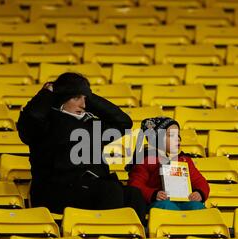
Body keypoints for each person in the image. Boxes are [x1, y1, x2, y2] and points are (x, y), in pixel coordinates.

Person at [17, 72, 146, 223]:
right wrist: (47, 94)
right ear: (61, 98)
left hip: (91, 188)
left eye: (84, 99)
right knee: (110, 190)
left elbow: (124, 123)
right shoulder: (45, 124)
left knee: (133, 195)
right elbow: (32, 118)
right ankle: (106, 237)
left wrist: (88, 96)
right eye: (76, 98)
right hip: (56, 190)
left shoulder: (91, 125)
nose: (83, 105)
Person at [127, 117, 210, 211]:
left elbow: (200, 181)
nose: (177, 139)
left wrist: (199, 193)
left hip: (185, 201)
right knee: (167, 206)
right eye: (171, 135)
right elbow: (135, 185)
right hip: (159, 203)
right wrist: (153, 194)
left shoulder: (184, 160)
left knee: (197, 207)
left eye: (178, 135)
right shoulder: (146, 160)